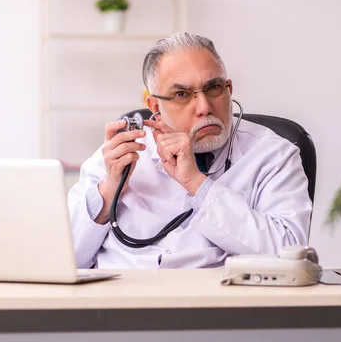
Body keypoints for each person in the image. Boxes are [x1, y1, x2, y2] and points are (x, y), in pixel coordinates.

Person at [68, 32, 312, 269]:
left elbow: (289, 254)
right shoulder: (118, 156)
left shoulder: (273, 155)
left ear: (229, 89)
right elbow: (66, 259)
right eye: (182, 94)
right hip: (118, 302)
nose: (204, 107)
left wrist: (197, 185)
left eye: (213, 87)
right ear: (155, 106)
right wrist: (109, 190)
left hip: (218, 303)